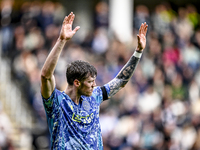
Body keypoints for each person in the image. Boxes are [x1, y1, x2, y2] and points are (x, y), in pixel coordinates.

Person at [41, 12, 148, 150]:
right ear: (77, 83)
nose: (95, 85)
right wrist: (61, 41)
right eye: (90, 82)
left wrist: (138, 52)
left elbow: (121, 80)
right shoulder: (56, 102)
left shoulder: (94, 96)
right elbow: (45, 76)